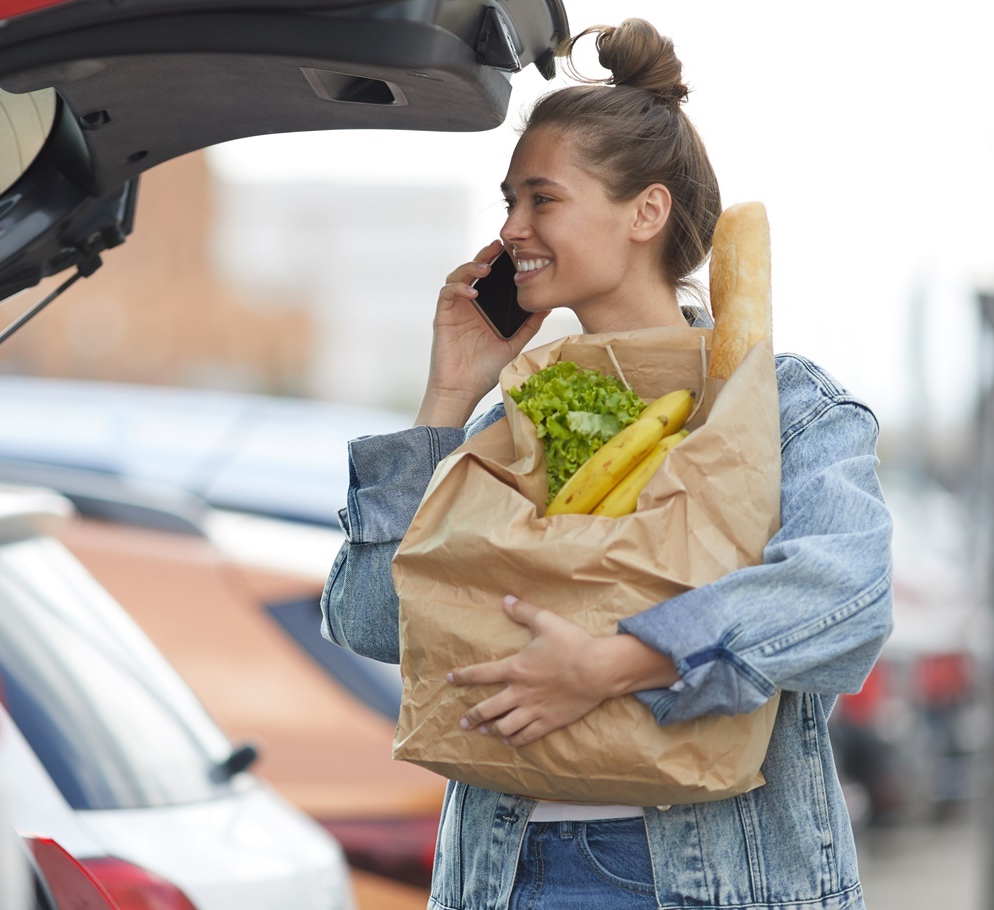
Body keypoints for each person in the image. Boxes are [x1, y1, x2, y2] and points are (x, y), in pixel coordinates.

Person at [320, 18, 893, 910]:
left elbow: (844, 595)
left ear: (645, 211)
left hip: (702, 876)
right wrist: (447, 395)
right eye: (507, 202)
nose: (510, 228)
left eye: (540, 199)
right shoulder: (509, 418)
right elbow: (369, 625)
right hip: (502, 873)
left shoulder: (781, 408)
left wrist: (612, 664)